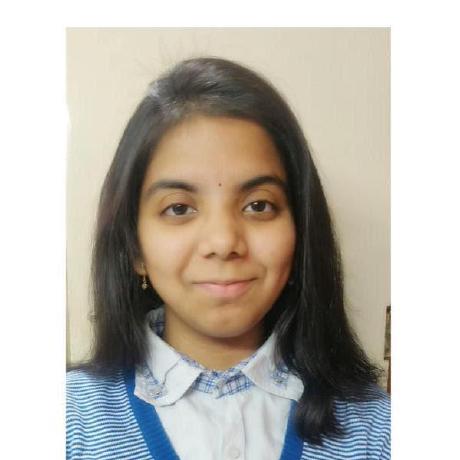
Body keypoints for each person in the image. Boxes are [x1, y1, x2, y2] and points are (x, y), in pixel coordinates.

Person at [66, 57, 390, 460]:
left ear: (301, 233)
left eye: (258, 205)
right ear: (135, 249)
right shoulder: (69, 420)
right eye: (179, 208)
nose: (223, 242)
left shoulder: (377, 429)